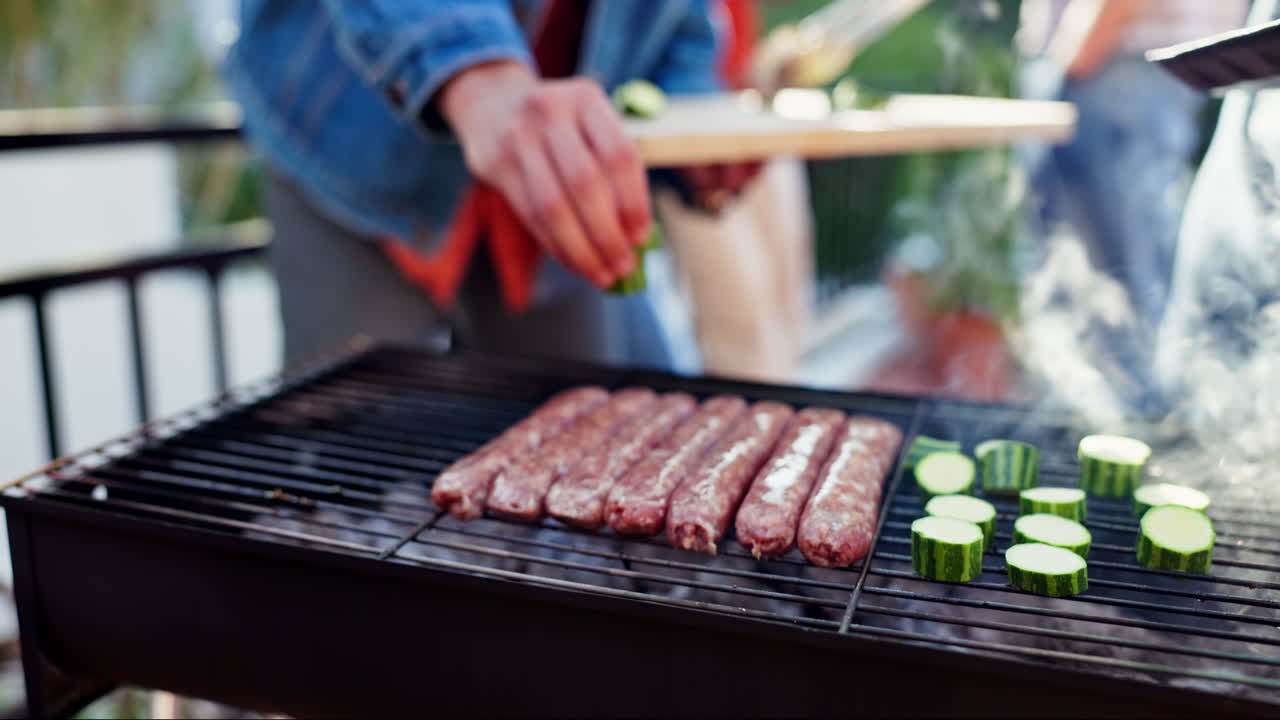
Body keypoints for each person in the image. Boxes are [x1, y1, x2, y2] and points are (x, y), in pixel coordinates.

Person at [225, 0, 757, 368]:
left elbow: (680, 20)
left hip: (558, 190)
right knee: (345, 455)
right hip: (353, 143)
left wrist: (690, 116)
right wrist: (480, 79)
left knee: (575, 434)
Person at [1017, 0, 1246, 389]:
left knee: (1114, 291)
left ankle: (1133, 423)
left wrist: (1079, 46)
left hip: (1110, 64)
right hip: (1136, 64)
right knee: (1105, 277)